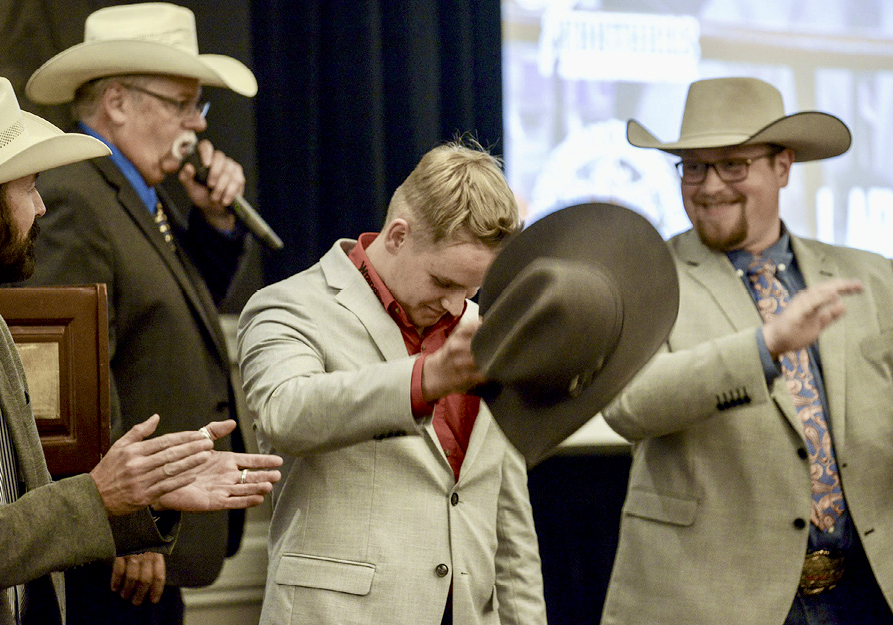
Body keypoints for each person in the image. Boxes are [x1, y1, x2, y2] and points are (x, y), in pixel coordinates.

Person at [600, 76, 893, 625]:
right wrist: (764, 347)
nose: (710, 186)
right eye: (693, 167)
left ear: (782, 167)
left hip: (866, 595)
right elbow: (629, 405)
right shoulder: (641, 279)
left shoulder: (873, 278)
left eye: (733, 165)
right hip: (716, 602)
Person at [0, 75, 282, 625]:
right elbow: (70, 373)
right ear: (118, 102)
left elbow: (169, 319)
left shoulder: (141, 196)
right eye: (181, 103)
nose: (198, 122)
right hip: (107, 549)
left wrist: (215, 222)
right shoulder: (83, 195)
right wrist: (117, 509)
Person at [238, 140, 547, 625]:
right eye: (443, 282)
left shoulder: (482, 329)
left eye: (472, 289)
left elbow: (509, 513)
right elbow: (286, 413)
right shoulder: (288, 306)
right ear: (398, 235)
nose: (456, 304)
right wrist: (426, 380)